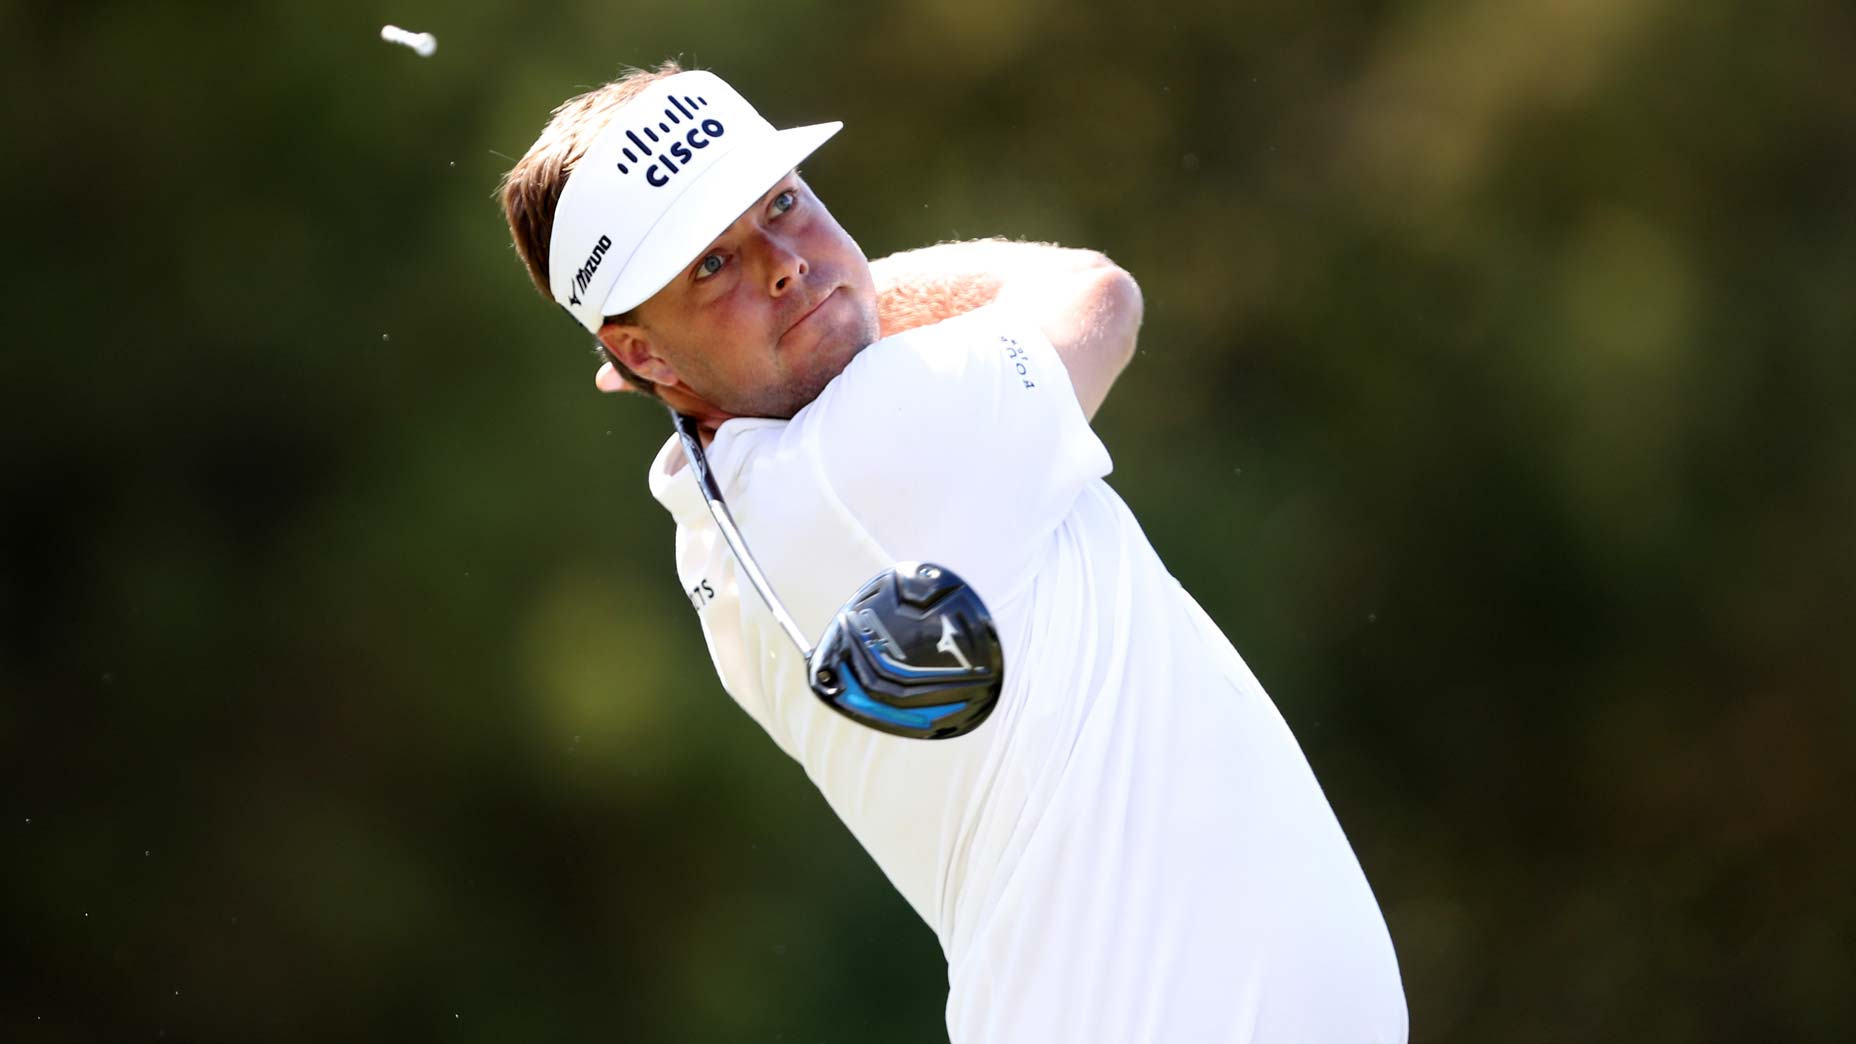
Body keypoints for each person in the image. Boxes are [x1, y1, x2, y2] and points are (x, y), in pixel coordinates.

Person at [500, 61, 1408, 1043]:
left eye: (782, 205)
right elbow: (1094, 293)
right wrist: (849, 288)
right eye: (710, 266)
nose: (782, 262)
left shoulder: (720, 517)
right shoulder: (877, 445)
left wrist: (796, 311)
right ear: (641, 354)